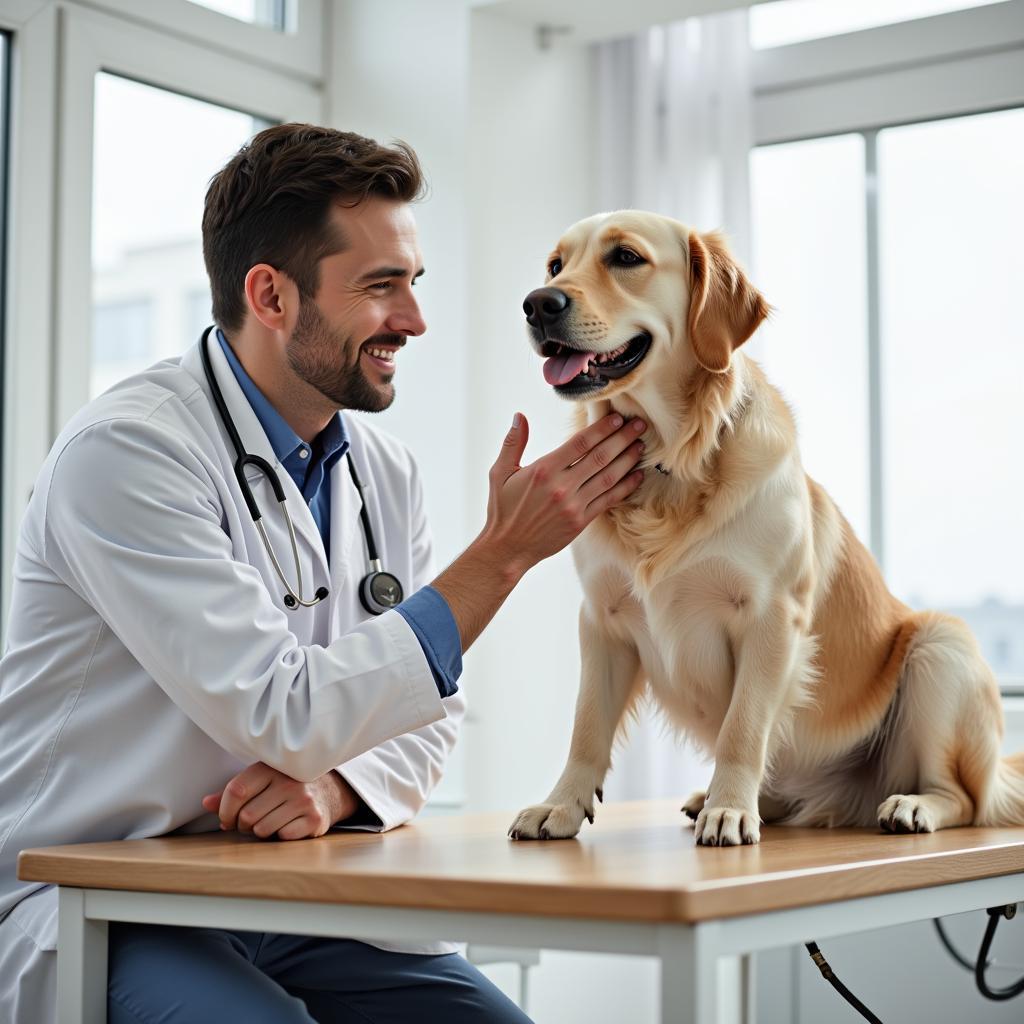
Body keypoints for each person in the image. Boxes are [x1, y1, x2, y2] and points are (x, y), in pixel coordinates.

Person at [0, 123, 647, 1023]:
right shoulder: (129, 454)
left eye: (413, 283)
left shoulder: (386, 471)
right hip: (107, 894)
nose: (415, 321)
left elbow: (430, 712)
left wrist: (335, 786)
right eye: (381, 288)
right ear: (269, 294)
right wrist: (501, 556)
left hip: (283, 890)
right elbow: (284, 710)